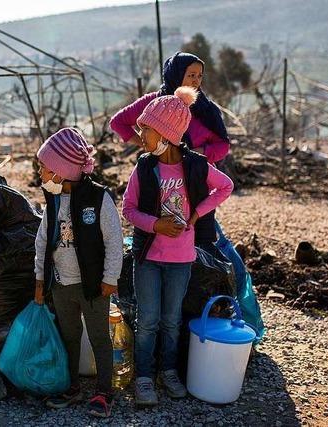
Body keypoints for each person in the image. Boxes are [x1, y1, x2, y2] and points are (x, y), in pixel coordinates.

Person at [111, 51, 265, 340]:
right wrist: (145, 146)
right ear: (175, 76)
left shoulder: (205, 109)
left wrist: (196, 158)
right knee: (155, 253)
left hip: (195, 190)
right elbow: (119, 122)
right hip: (160, 193)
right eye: (190, 75)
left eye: (199, 76)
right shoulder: (153, 105)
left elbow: (222, 145)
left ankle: (239, 323)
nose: (196, 81)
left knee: (218, 252)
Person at [122, 87, 234, 406]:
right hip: (147, 258)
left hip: (181, 259)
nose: (141, 137)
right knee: (147, 321)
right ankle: (144, 376)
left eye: (146, 130)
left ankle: (168, 371)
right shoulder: (144, 168)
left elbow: (225, 186)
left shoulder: (196, 167)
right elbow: (128, 209)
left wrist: (197, 213)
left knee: (171, 321)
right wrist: (155, 225)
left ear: (166, 133)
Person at [33, 127, 123, 418]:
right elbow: (43, 241)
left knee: (99, 338)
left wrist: (110, 278)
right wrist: (40, 279)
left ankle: (104, 391)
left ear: (62, 171)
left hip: (93, 286)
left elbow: (114, 241)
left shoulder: (98, 199)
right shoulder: (53, 200)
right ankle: (72, 387)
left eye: (45, 170)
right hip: (61, 285)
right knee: (69, 336)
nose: (42, 176)